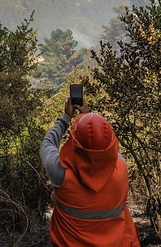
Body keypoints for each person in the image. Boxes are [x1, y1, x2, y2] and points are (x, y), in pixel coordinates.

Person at [40, 96, 141, 247]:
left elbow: (47, 144)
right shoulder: (121, 168)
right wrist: (87, 117)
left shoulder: (61, 173)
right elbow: (106, 148)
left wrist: (67, 118)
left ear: (75, 143)